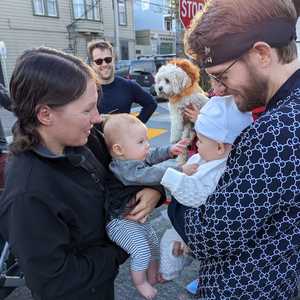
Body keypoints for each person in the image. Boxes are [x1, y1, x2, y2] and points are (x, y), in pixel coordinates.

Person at [0, 47, 165, 300]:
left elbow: (129, 165)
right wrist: (120, 247)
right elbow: (54, 281)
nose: (98, 117)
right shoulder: (27, 194)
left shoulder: (84, 138)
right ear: (45, 114)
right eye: (87, 110)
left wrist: (154, 190)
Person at [168, 0, 300, 299]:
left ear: (262, 53)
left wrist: (172, 189)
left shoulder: (275, 132)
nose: (216, 90)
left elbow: (206, 236)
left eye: (221, 75)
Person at [159, 96, 253, 283]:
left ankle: (166, 274)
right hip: (188, 224)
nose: (197, 144)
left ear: (219, 147)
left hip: (195, 224)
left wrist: (166, 175)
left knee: (169, 242)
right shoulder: (208, 158)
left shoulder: (220, 171)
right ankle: (169, 268)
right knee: (171, 243)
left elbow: (195, 194)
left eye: (200, 140)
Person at [102, 113, 186, 300]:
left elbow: (152, 155)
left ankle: (152, 274)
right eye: (141, 142)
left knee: (154, 244)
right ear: (119, 149)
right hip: (119, 222)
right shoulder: (123, 168)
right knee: (141, 251)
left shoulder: (132, 157)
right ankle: (140, 283)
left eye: (146, 139)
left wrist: (170, 150)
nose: (147, 145)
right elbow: (152, 173)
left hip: (133, 218)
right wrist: (180, 171)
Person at [87, 40, 157, 123]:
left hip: (123, 135)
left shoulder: (128, 86)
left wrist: (134, 126)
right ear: (92, 64)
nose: (104, 64)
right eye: (99, 61)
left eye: (108, 59)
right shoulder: (86, 90)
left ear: (113, 60)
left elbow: (151, 104)